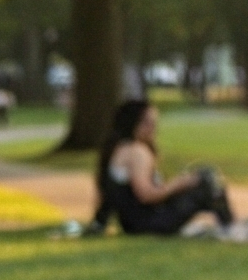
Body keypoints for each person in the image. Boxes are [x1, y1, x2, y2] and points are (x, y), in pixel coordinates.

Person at [94, 100, 237, 236]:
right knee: (207, 178)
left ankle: (228, 226)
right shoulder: (137, 151)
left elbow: (110, 199)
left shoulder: (118, 149)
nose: (153, 128)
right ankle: (230, 228)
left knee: (203, 181)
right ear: (132, 123)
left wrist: (100, 222)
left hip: (134, 224)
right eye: (147, 123)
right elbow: (146, 195)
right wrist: (180, 183)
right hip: (149, 224)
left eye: (154, 123)